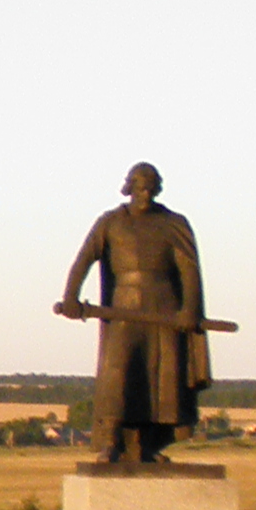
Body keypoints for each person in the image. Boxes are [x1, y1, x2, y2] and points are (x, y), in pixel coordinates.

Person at [56, 163, 210, 466]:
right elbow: (84, 259)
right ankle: (111, 441)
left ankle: (148, 445)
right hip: (123, 307)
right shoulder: (111, 223)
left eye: (151, 188)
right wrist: (70, 297)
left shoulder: (173, 223)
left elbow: (189, 269)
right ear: (128, 188)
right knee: (119, 372)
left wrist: (189, 310)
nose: (145, 194)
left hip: (164, 307)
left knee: (162, 378)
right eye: (140, 188)